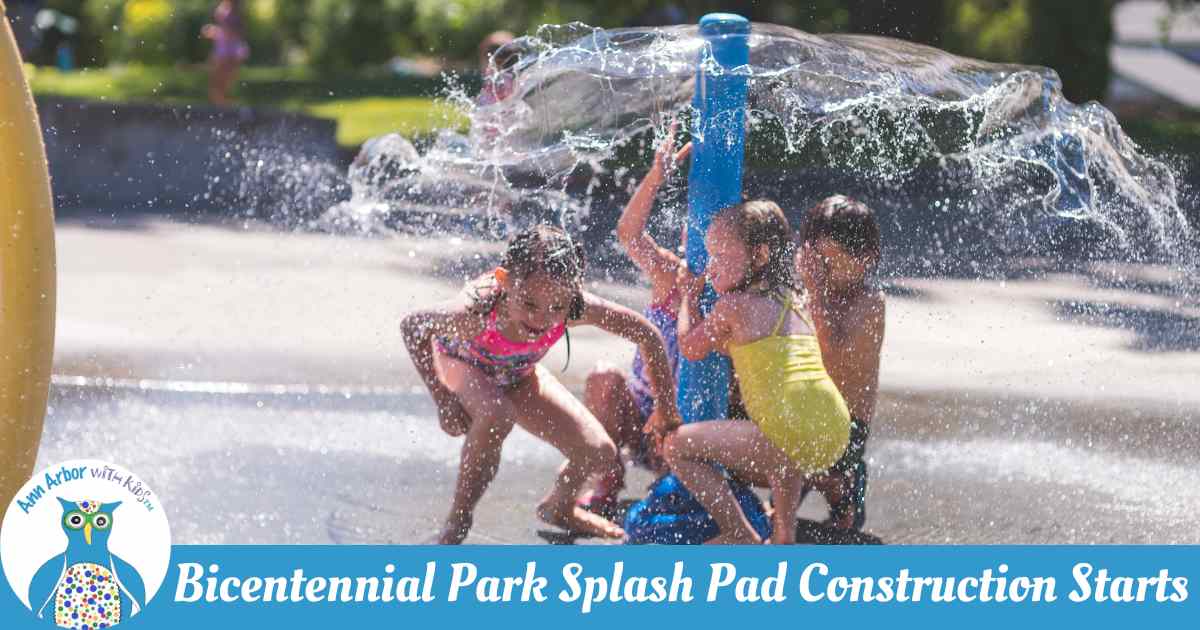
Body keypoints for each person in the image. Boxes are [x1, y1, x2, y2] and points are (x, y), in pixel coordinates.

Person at [401, 225, 680, 544]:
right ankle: (459, 520)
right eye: (529, 304)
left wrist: (666, 409)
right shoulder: (475, 310)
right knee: (496, 415)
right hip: (463, 363)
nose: (541, 319)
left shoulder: (575, 306)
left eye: (556, 308)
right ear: (504, 281)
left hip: (517, 373)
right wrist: (443, 399)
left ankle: (560, 507)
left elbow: (647, 334)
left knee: (600, 452)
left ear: (573, 294)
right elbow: (414, 326)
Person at [658, 200, 852, 545]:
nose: (711, 267)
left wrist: (689, 298)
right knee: (784, 453)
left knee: (675, 446)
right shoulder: (793, 299)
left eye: (720, 256)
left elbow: (691, 347)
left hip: (787, 430)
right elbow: (741, 348)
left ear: (760, 256)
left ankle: (739, 533)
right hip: (834, 429)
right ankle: (784, 536)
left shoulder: (733, 306)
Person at [580, 125, 692, 516]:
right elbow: (628, 232)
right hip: (642, 415)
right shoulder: (670, 274)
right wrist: (655, 176)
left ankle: (689, 481)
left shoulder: (731, 296)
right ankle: (607, 476)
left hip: (691, 422)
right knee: (603, 377)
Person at [796, 195, 885, 531]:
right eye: (815, 262)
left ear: (866, 258)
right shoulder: (808, 296)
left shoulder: (870, 303)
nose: (822, 273)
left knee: (810, 460)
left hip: (846, 430)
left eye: (830, 263)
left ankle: (844, 489)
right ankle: (800, 488)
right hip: (805, 417)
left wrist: (815, 292)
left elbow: (833, 353)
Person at [202, 0, 249, 106]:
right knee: (215, 81)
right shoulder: (224, 5)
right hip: (222, 48)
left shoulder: (237, 9)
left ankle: (224, 107)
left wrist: (216, 32)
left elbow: (236, 32)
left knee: (223, 82)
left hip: (230, 50)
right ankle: (220, 107)